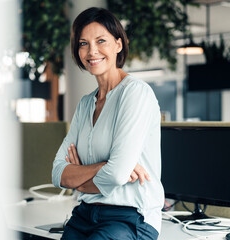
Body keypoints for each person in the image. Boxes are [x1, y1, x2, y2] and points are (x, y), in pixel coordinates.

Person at [52, 7, 164, 240]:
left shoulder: (135, 94)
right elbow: (58, 174)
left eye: (101, 41)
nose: (92, 51)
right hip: (85, 214)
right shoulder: (85, 105)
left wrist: (80, 182)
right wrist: (104, 165)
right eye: (83, 43)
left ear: (118, 44)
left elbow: (116, 174)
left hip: (130, 217)